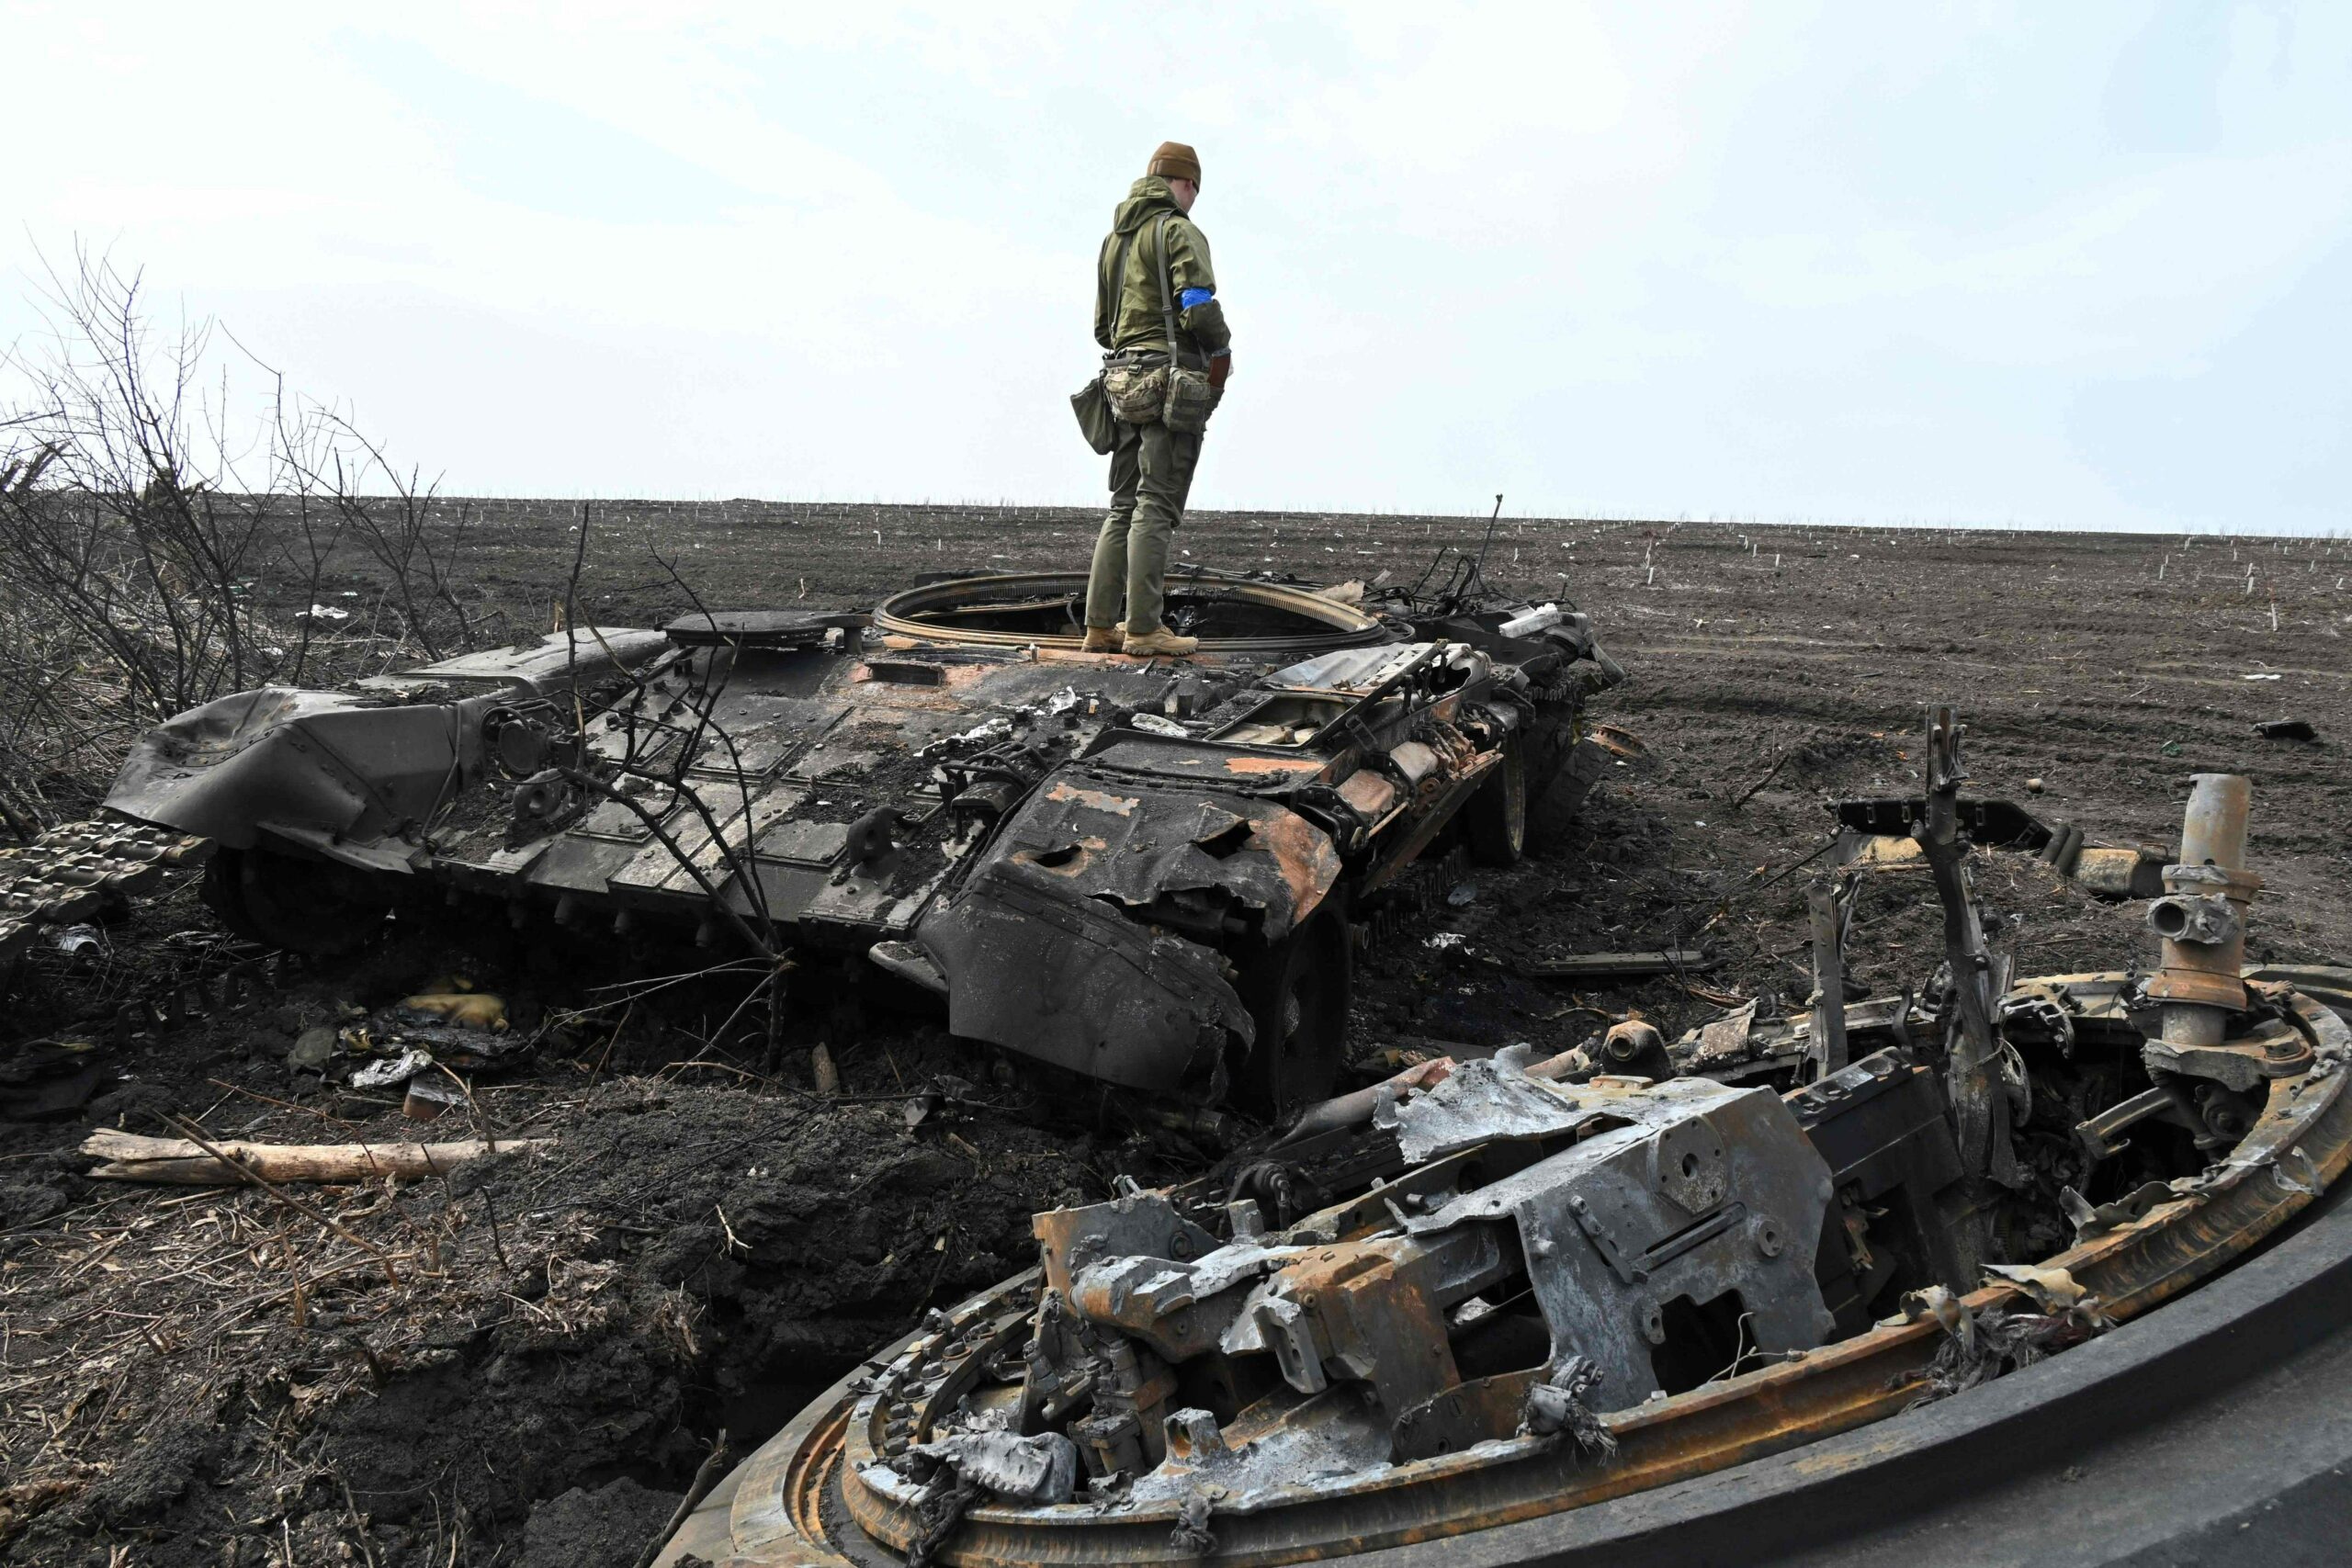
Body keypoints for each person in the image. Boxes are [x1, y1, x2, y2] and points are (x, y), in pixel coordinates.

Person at [1081, 141, 1233, 658]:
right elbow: (1196, 304)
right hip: (1167, 380)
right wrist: (1221, 348)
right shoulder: (1177, 230)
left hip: (1119, 381)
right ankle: (1145, 628)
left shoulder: (1113, 241)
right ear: (1185, 183)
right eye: (1195, 189)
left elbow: (1103, 329)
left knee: (1122, 503)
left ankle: (1100, 627)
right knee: (1156, 503)